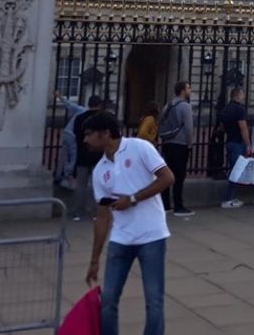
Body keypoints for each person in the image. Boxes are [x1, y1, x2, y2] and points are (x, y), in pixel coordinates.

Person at [83, 111, 175, 335]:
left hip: (151, 235)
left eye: (89, 134)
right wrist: (94, 259)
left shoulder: (139, 148)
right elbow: (103, 216)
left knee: (154, 300)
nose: (85, 139)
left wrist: (133, 198)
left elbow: (167, 177)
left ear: (105, 133)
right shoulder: (100, 170)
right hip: (121, 238)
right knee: (109, 298)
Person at [157, 81, 194, 217]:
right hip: (180, 144)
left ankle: (166, 204)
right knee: (179, 176)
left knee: (167, 174)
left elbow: (161, 120)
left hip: (168, 142)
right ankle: (178, 205)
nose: (190, 90)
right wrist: (190, 143)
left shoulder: (169, 104)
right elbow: (189, 128)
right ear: (183, 91)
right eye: (188, 88)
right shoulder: (185, 106)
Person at [70, 101, 106, 221]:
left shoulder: (80, 118)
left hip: (82, 155)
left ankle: (77, 213)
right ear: (99, 105)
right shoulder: (102, 118)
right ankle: (97, 212)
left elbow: (76, 135)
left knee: (81, 185)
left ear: (88, 104)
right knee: (98, 185)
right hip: (98, 156)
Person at [54, 92, 95, 188]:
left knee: (63, 156)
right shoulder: (88, 114)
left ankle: (58, 175)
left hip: (67, 132)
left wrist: (60, 97)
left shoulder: (81, 109)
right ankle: (67, 177)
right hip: (72, 135)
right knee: (73, 156)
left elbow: (69, 105)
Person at [220, 87, 250, 209]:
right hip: (238, 142)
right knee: (235, 171)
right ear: (238, 95)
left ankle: (231, 196)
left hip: (230, 141)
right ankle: (229, 198)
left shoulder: (226, 109)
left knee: (233, 169)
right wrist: (248, 144)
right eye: (242, 94)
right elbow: (243, 128)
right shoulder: (239, 109)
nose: (243, 97)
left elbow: (222, 127)